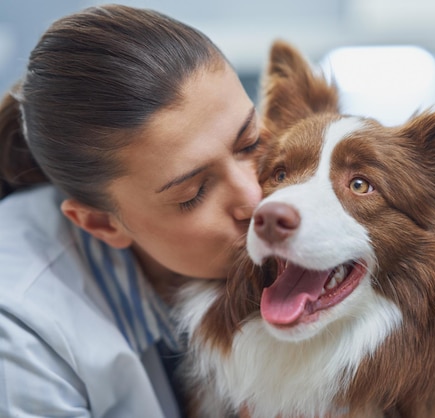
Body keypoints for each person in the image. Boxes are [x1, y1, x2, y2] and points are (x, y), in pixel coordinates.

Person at [0, 4, 263, 417]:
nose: (254, 199)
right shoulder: (18, 332)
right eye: (194, 193)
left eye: (250, 143)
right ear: (101, 223)